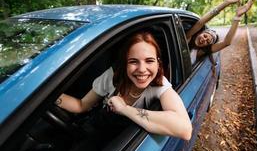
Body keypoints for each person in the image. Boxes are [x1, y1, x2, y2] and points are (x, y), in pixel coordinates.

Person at [55, 32, 192, 141]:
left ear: (158, 63)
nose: (142, 69)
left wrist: (125, 109)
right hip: (95, 131)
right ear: (125, 63)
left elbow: (185, 129)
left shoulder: (160, 84)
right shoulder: (112, 76)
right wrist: (50, 97)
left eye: (149, 61)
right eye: (133, 62)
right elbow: (81, 105)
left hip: (120, 146)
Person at [186, 0, 256, 64]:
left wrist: (237, 17)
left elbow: (226, 42)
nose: (204, 40)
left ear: (206, 46)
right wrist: (225, 3)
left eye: (207, 42)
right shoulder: (187, 36)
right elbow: (201, 22)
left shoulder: (199, 52)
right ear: (199, 33)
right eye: (205, 36)